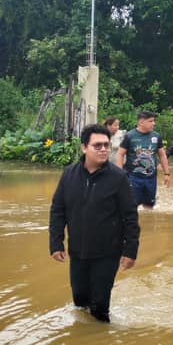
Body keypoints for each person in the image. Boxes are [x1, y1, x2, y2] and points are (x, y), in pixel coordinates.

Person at [48, 123, 140, 323]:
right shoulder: (69, 175)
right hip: (78, 251)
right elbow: (58, 210)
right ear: (84, 148)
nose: (104, 149)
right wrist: (56, 243)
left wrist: (130, 250)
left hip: (107, 253)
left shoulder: (118, 178)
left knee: (99, 308)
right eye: (97, 145)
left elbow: (130, 216)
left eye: (106, 145)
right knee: (80, 302)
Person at [116, 110, 171, 210]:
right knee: (132, 206)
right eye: (150, 121)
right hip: (133, 177)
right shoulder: (130, 136)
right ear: (141, 122)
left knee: (149, 208)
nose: (153, 123)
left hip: (151, 178)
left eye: (154, 121)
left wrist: (167, 174)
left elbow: (162, 155)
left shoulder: (156, 136)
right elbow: (120, 154)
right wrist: (120, 174)